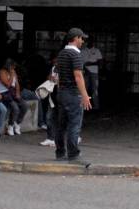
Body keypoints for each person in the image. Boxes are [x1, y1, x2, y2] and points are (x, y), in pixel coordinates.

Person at [55, 27, 93, 164]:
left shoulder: (61, 53)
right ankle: (73, 154)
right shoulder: (75, 55)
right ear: (76, 38)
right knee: (74, 125)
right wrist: (84, 95)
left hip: (62, 93)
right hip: (72, 93)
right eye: (81, 38)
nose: (82, 41)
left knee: (61, 125)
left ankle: (60, 152)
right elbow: (78, 76)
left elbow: (58, 76)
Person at [0, 58, 28, 136]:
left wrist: (18, 93)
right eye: (12, 66)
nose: (14, 68)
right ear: (8, 66)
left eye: (14, 67)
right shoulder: (2, 72)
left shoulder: (14, 72)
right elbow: (8, 84)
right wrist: (11, 75)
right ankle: (10, 126)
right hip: (4, 93)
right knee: (15, 107)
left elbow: (17, 84)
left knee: (25, 105)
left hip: (13, 93)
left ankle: (17, 123)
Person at [37, 52, 59, 146]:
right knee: (49, 117)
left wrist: (57, 81)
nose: (55, 61)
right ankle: (51, 138)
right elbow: (48, 77)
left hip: (60, 96)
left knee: (62, 118)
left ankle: (72, 136)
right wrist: (51, 78)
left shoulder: (64, 68)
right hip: (52, 96)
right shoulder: (53, 68)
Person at [81, 37, 103, 110]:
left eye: (91, 41)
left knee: (95, 90)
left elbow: (100, 62)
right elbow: (80, 63)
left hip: (94, 73)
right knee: (84, 89)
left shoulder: (96, 51)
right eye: (88, 41)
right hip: (85, 72)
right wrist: (85, 68)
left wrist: (90, 64)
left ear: (93, 42)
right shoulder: (83, 51)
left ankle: (96, 106)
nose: (89, 42)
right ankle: (84, 106)